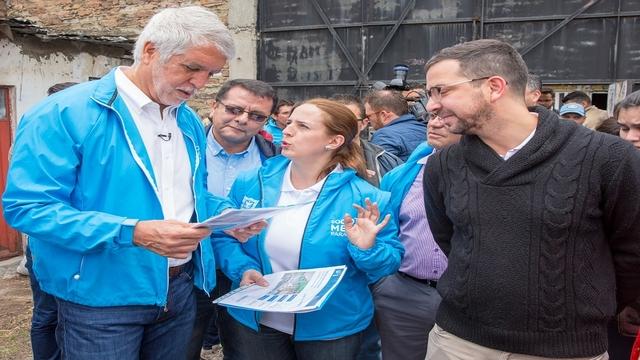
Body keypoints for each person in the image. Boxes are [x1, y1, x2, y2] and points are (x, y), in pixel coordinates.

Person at [2, 6, 261, 359]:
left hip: (179, 290)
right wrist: (133, 232)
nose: (200, 83)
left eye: (211, 72)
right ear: (151, 51)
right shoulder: (63, 113)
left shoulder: (185, 120)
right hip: (100, 297)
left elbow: (187, 196)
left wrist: (227, 216)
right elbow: (29, 209)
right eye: (192, 67)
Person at [423, 39, 640, 359]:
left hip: (566, 349)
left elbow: (632, 252)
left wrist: (592, 310)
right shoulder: (443, 164)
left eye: (441, 90)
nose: (431, 105)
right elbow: (451, 240)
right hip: (458, 343)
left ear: (493, 87)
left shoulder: (608, 158)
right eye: (430, 94)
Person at [212, 98, 404, 360]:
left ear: (334, 141)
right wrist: (242, 268)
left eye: (302, 126)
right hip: (255, 324)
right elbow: (223, 235)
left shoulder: (366, 198)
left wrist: (367, 248)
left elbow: (388, 265)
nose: (288, 130)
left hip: (330, 329)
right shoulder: (252, 181)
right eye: (289, 122)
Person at [187, 79, 279, 360]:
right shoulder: (183, 151)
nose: (242, 120)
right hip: (190, 265)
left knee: (244, 348)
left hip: (249, 270)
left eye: (256, 116)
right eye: (234, 109)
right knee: (184, 344)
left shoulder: (276, 160)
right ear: (214, 106)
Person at [373, 113, 460, 360]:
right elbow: (385, 234)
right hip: (404, 295)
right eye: (433, 116)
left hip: (465, 299)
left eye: (447, 117)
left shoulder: (490, 176)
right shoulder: (401, 176)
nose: (435, 123)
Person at [331, 94, 403, 187]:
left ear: (364, 123)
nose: (342, 125)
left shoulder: (386, 161)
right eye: (335, 120)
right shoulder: (311, 161)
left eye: (350, 120)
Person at [364, 89, 426, 161]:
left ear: (383, 115)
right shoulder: (425, 129)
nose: (368, 120)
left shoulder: (384, 136)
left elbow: (380, 170)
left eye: (368, 116)